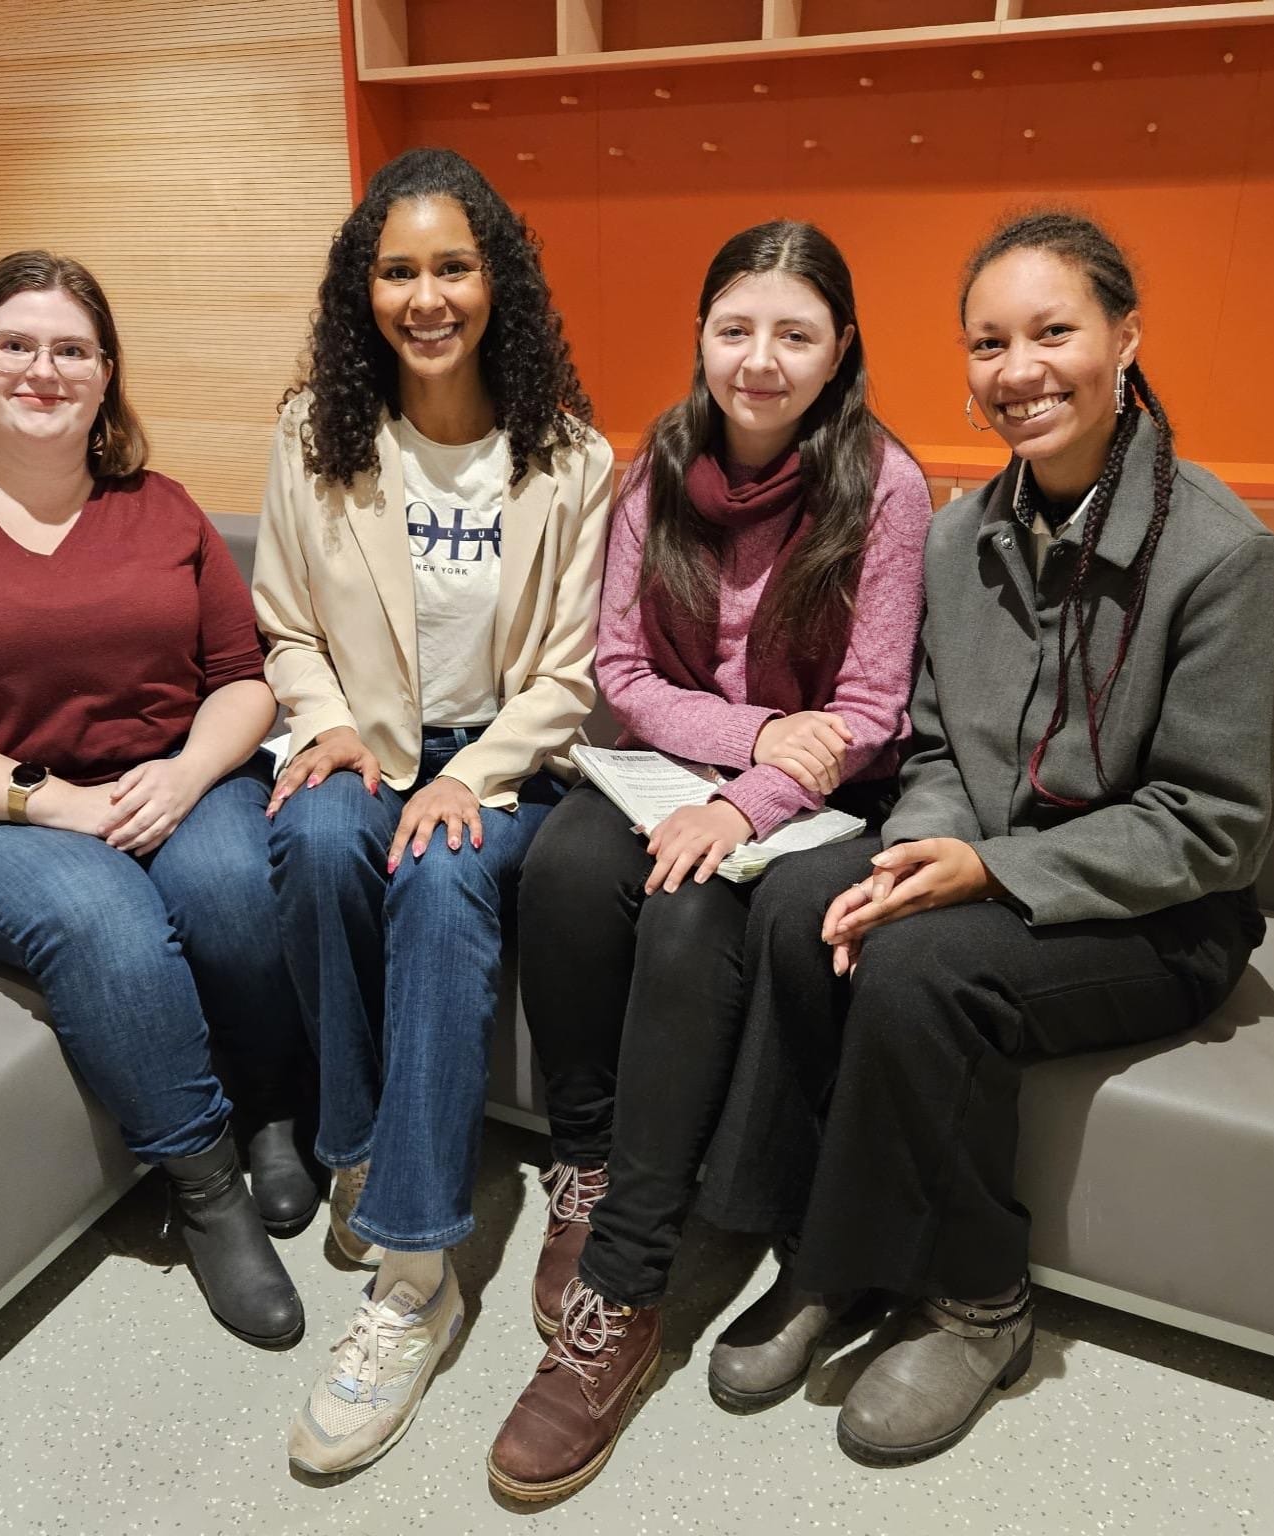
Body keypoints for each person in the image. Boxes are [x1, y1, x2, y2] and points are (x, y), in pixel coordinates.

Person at [693, 210, 1274, 1466]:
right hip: (986, 875)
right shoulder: (965, 538)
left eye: (1053, 331)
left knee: (922, 967)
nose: (1018, 369)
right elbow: (933, 753)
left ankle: (980, 1301)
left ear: (1127, 338)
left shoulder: (1223, 556)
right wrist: (913, 855)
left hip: (1160, 915)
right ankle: (827, 1257)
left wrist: (985, 873)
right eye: (987, 341)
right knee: (812, 905)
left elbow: (1216, 827)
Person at [487, 220, 934, 1501]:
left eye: (795, 333)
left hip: (816, 797)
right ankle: (585, 1158)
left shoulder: (885, 487)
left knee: (687, 919)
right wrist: (741, 741)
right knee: (565, 869)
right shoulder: (657, 469)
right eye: (736, 328)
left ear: (840, 347)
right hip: (674, 764)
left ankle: (624, 1296)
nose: (759, 358)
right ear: (702, 336)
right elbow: (620, 673)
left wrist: (747, 802)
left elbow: (868, 712)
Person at [0, 250, 311, 1352]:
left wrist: (186, 773)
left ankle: (279, 1109)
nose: (43, 369)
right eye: (16, 344)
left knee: (236, 882)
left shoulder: (162, 509)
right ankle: (207, 1186)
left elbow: (242, 675)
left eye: (71, 350)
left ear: (105, 376)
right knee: (102, 913)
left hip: (160, 776)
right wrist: (48, 802)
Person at [255, 148, 613, 1474]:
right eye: (396, 270)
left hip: (501, 759)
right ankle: (353, 1146)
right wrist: (327, 724)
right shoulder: (313, 437)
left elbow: (570, 674)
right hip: (362, 740)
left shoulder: (572, 458)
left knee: (449, 876)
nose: (424, 295)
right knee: (310, 833)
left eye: (450, 265)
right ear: (366, 290)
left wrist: (472, 776)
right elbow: (286, 625)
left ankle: (414, 1272)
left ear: (496, 277)